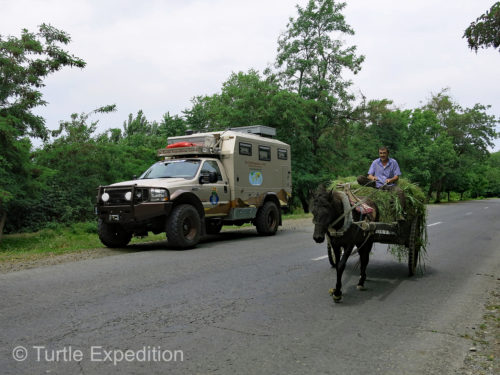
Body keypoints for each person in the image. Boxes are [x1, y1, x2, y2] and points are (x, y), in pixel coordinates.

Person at [357, 146, 406, 214]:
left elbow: (397, 176)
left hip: (389, 185)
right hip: (376, 184)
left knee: (400, 192)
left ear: (388, 153)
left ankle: (401, 213)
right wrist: (373, 178)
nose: (382, 155)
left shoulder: (393, 162)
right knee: (360, 178)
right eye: (380, 153)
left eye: (384, 153)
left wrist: (390, 180)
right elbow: (369, 175)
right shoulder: (375, 162)